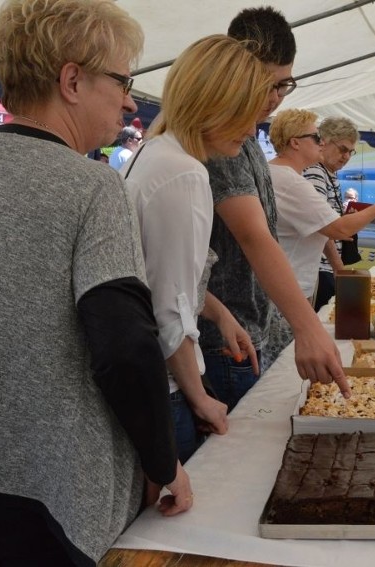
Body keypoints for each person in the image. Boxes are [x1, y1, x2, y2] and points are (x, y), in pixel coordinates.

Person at [0, 1, 192, 565]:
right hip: (44, 498)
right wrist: (163, 464)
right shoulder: (92, 187)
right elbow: (123, 346)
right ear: (72, 79)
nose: (129, 99)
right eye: (123, 80)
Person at [123, 35, 269, 462]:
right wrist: (199, 398)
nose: (252, 129)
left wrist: (220, 313)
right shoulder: (183, 173)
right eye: (245, 113)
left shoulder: (155, 153)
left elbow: (161, 273)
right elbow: (168, 306)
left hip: (158, 383)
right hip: (167, 390)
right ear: (213, 104)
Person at [198, 6, 350, 412]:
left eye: (286, 86)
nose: (275, 98)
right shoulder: (222, 136)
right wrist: (307, 326)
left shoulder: (244, 135)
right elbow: (252, 236)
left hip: (248, 330)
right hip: (228, 340)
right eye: (270, 84)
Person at [269, 109, 375, 301]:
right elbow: (336, 229)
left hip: (292, 281)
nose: (321, 142)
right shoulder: (299, 179)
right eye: (317, 138)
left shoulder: (286, 174)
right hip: (293, 284)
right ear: (295, 142)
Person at [303, 116, 360, 310]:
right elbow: (320, 224)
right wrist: (338, 268)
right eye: (342, 149)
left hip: (323, 268)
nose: (346, 156)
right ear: (323, 142)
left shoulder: (328, 173)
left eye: (350, 152)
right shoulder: (316, 172)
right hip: (319, 269)